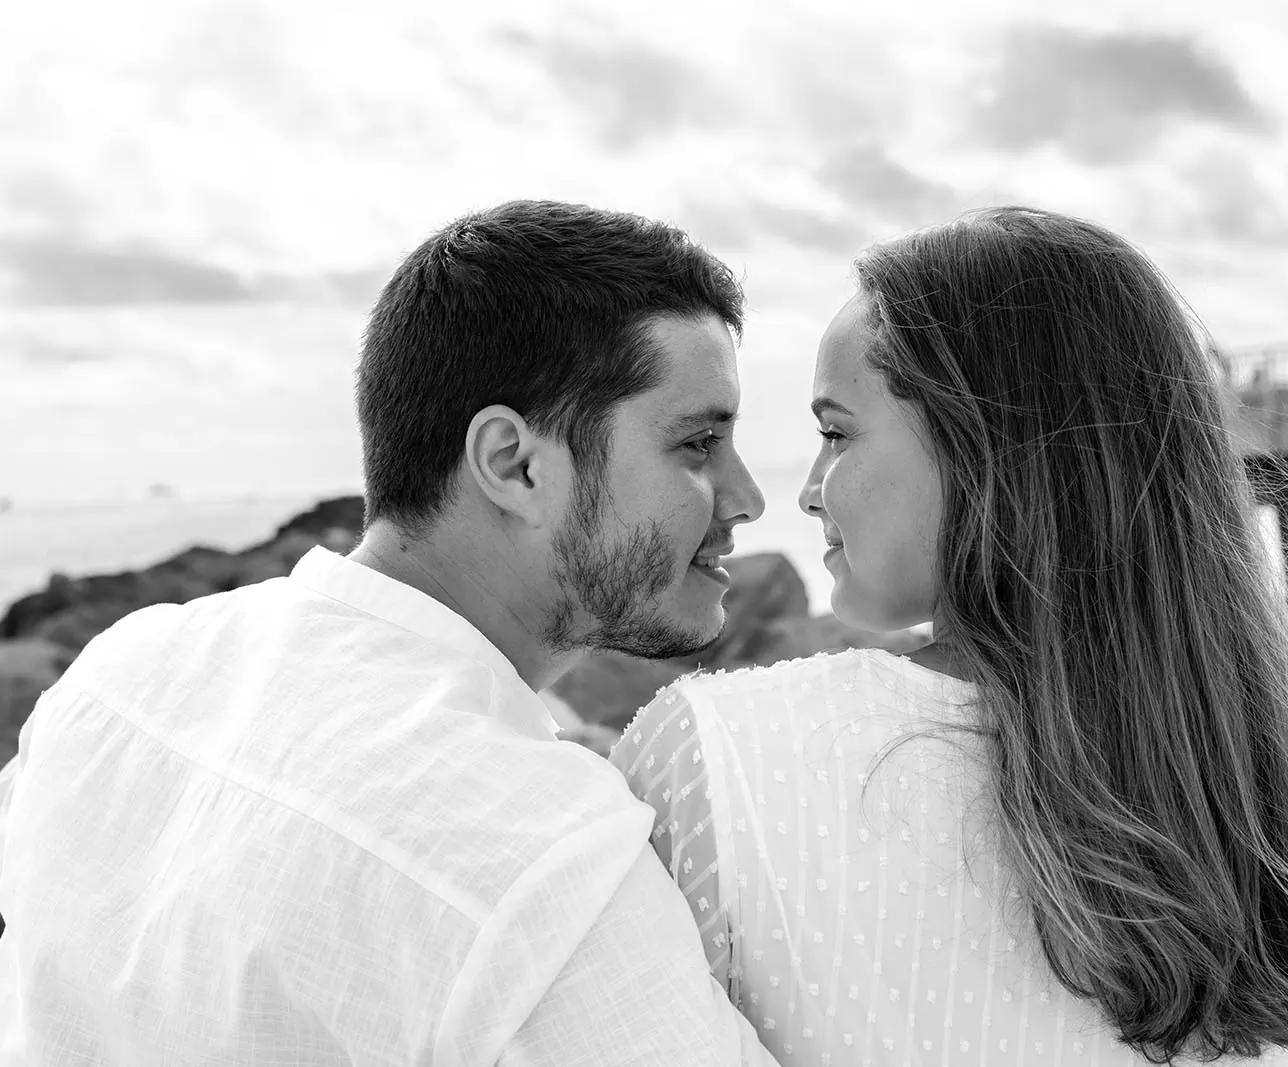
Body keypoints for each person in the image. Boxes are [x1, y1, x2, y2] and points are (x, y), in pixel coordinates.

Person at [0, 201, 778, 1065]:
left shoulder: (112, 676)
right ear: (514, 464)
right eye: (698, 443)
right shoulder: (546, 859)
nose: (747, 497)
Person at [613, 207, 1288, 1065]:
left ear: (983, 450)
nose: (805, 489)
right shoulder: (1247, 793)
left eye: (836, 433)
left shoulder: (714, 755)